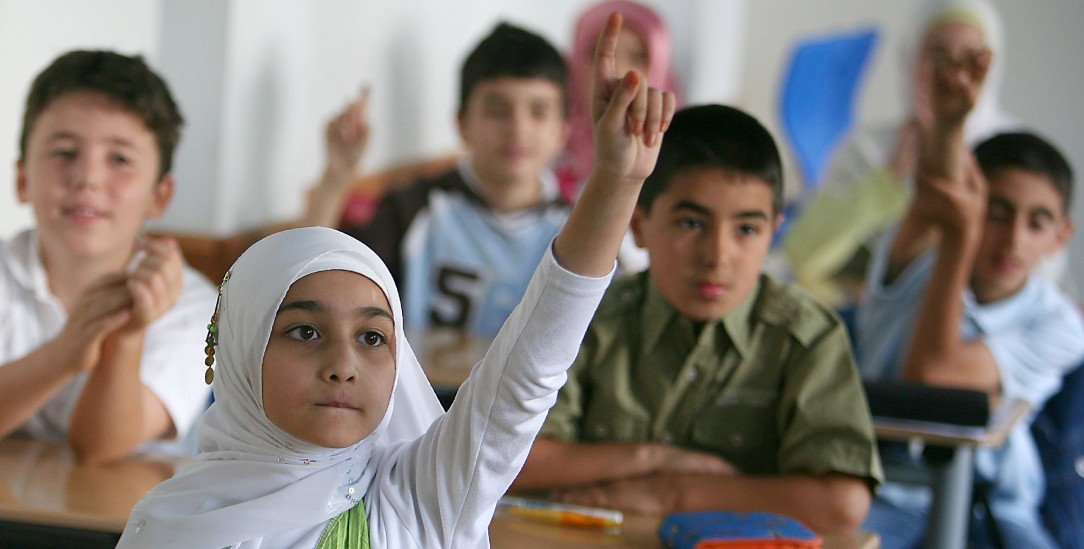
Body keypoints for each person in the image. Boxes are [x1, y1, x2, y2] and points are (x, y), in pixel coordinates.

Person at [116, 12, 675, 548]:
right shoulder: (170, 525)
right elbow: (306, 263)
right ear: (241, 349)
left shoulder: (418, 502)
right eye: (304, 332)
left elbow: (527, 377)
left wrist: (616, 181)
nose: (342, 366)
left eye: (372, 337)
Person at [512, 103, 882, 536]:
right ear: (640, 225)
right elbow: (511, 460)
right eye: (691, 222)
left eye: (747, 229)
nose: (717, 257)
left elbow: (842, 504)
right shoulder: (594, 319)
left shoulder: (806, 337)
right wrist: (652, 459)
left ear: (774, 231)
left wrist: (670, 495)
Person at [853, 24, 1084, 547]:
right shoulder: (913, 258)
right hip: (878, 495)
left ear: (1060, 236)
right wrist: (949, 123)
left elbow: (935, 378)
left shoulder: (1061, 325)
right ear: (973, 200)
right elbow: (937, 190)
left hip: (996, 510)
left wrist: (962, 234)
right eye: (996, 213)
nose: (1013, 240)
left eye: (1037, 221)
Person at [0, 50, 217, 464]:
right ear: (23, 178)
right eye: (64, 152)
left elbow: (101, 447)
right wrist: (62, 355)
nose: (88, 179)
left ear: (160, 195)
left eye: (119, 159)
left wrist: (128, 335)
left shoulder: (194, 307)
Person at [341, 21, 572, 339]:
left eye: (538, 111)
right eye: (498, 110)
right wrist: (335, 177)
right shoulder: (411, 210)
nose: (518, 129)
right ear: (463, 123)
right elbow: (323, 286)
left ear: (563, 130)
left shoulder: (579, 233)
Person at [782, 0, 1015, 308]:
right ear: (912, 60)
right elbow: (800, 255)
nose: (953, 75)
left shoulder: (1013, 157)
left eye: (971, 58)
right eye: (938, 55)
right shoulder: (869, 149)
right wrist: (887, 181)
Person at [556, 0, 682, 204]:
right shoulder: (543, 146)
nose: (617, 71)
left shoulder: (682, 159)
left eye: (638, 57)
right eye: (596, 54)